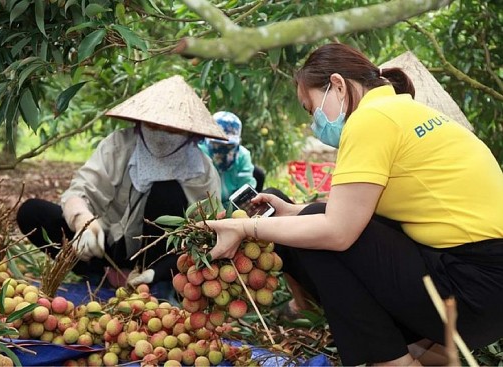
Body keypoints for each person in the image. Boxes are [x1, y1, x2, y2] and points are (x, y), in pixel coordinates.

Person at [203, 43, 503, 366]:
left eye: (311, 108)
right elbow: (357, 209)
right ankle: (424, 354)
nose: (314, 123)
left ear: (338, 85)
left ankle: (394, 361)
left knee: (322, 237)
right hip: (485, 289)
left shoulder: (370, 120)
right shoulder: (407, 111)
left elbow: (338, 230)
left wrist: (245, 225)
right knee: (318, 218)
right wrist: (290, 210)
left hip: (470, 289)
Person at [17, 75, 226, 293]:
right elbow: (81, 190)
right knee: (32, 212)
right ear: (142, 121)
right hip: (107, 246)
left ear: (189, 132)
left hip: (163, 259)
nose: (163, 133)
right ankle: (105, 272)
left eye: (173, 129)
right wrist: (83, 222)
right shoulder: (119, 146)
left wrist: (160, 271)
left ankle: (151, 281)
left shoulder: (201, 172)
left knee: (167, 191)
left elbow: (207, 236)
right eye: (155, 125)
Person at [199, 111, 264, 208]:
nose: (223, 149)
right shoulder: (200, 153)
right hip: (205, 206)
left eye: (229, 145)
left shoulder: (242, 156)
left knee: (259, 174)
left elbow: (245, 190)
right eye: (218, 144)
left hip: (232, 207)